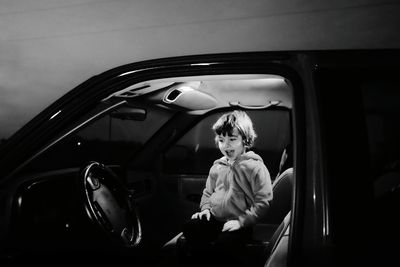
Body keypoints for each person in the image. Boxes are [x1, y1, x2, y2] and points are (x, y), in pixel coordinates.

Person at [182, 110, 273, 267]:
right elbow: (208, 192)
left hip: (240, 223)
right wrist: (205, 209)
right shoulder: (218, 166)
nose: (226, 145)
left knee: (225, 245)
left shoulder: (255, 167)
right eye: (221, 139)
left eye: (232, 139)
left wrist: (242, 221)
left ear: (246, 140)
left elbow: (263, 201)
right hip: (215, 219)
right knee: (190, 227)